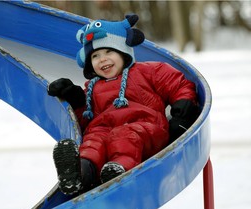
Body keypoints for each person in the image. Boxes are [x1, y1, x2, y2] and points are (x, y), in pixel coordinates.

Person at [47, 14, 199, 195]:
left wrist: (182, 112)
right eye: (95, 56)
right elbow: (85, 122)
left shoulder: (147, 71)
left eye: (109, 52)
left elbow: (178, 85)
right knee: (93, 140)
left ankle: (118, 171)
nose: (102, 59)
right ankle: (81, 173)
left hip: (145, 129)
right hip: (105, 129)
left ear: (123, 52)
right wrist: (76, 99)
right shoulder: (92, 87)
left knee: (124, 135)